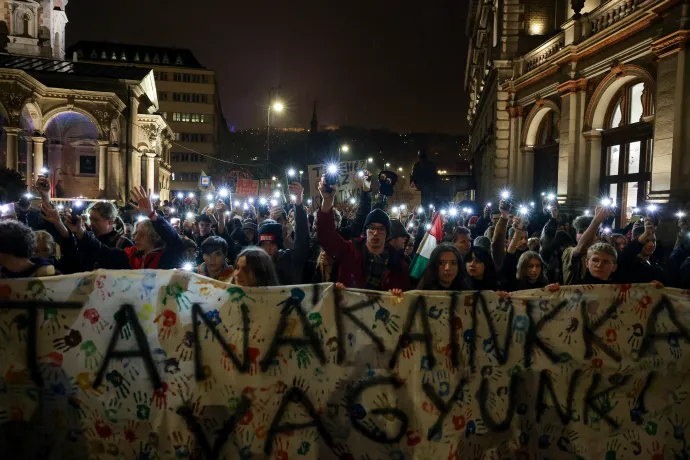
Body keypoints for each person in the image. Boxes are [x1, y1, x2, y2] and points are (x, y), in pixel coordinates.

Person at [317, 178, 410, 291]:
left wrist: (398, 294)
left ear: (387, 234)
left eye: (381, 229)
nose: (375, 233)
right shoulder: (349, 251)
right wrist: (327, 201)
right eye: (371, 228)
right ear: (365, 231)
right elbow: (327, 237)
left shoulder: (399, 265)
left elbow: (406, 299)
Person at [68, 187, 184, 270]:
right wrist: (80, 233)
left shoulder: (166, 257)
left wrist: (152, 215)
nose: (135, 237)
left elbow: (175, 241)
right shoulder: (128, 256)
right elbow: (101, 251)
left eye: (142, 234)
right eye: (136, 233)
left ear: (153, 238)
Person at [257, 182, 309, 285]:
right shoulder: (255, 264)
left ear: (278, 244)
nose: (268, 249)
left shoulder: (290, 259)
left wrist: (299, 204)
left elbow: (302, 240)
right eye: (264, 245)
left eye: (272, 244)